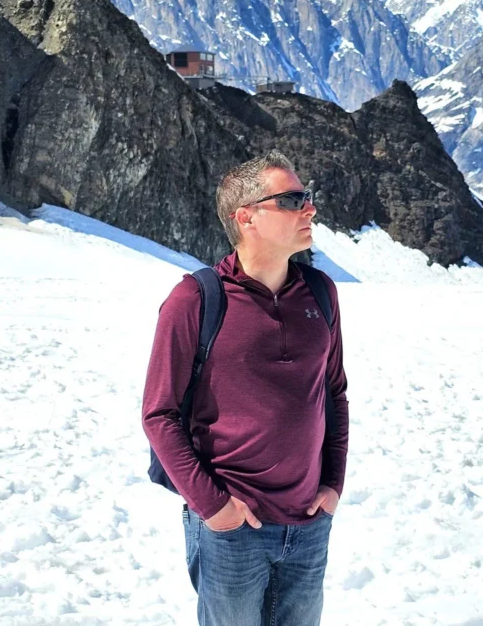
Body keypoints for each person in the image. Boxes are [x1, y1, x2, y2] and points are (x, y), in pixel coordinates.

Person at [142, 151, 349, 625]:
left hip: (309, 522)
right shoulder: (195, 299)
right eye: (292, 200)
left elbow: (333, 393)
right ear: (246, 217)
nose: (309, 209)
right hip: (232, 526)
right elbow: (159, 414)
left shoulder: (320, 292)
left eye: (308, 197)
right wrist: (214, 508)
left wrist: (332, 485)